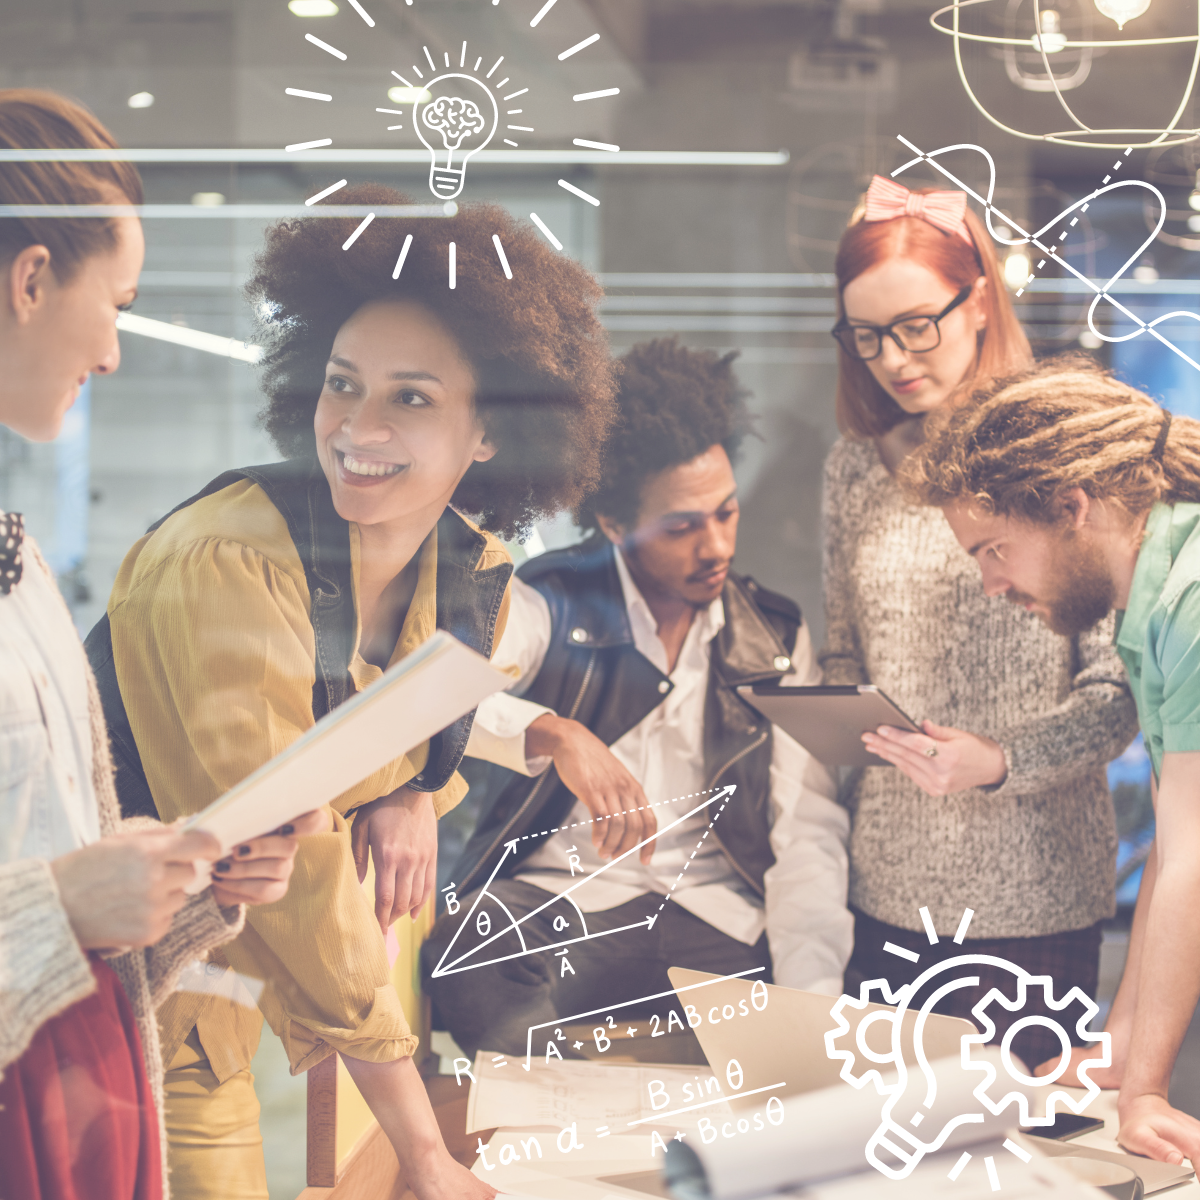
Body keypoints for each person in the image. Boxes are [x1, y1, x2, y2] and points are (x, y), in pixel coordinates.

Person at [85, 184, 619, 1200]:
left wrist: (411, 790)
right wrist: (424, 1149)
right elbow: (297, 851)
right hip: (122, 996)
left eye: (411, 397)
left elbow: (390, 732)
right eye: (342, 385)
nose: (356, 426)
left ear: (492, 432)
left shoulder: (472, 572)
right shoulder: (222, 562)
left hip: (264, 990)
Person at [0, 88, 315, 1200]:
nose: (117, 352)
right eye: (117, 305)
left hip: (84, 1079)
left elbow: (53, 850)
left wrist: (191, 880)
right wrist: (63, 906)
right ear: (31, 280)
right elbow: (48, 896)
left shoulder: (19, 555)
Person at [421, 338, 851, 1055]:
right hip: (567, 906)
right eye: (681, 527)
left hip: (718, 920)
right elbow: (438, 692)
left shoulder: (772, 636)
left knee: (808, 997)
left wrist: (815, 1008)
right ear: (616, 526)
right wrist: (554, 733)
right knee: (468, 949)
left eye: (726, 513)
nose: (714, 546)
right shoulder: (549, 599)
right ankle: (558, 1125)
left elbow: (806, 830)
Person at [821, 176, 1138, 1068]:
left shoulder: (1062, 449)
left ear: (981, 300)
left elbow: (1120, 691)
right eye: (869, 335)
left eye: (917, 325)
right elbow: (847, 643)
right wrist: (831, 709)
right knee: (886, 1147)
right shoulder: (857, 466)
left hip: (1038, 889)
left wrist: (1001, 762)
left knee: (1022, 1151)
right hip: (886, 879)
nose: (894, 357)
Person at [901, 358, 1200, 1166]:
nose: (990, 584)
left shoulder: (1193, 597)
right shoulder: (1151, 604)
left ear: (1075, 506)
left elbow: (1195, 861)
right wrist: (1119, 1051)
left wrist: (1144, 1090)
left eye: (994, 548)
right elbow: (1175, 845)